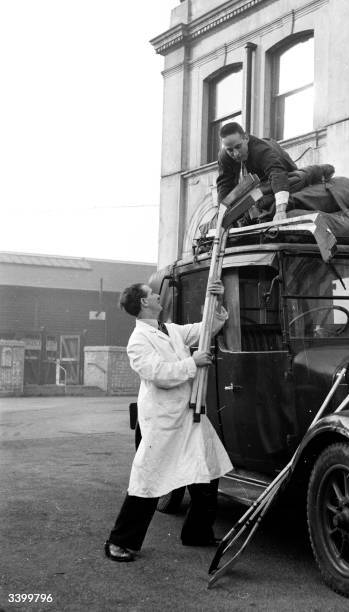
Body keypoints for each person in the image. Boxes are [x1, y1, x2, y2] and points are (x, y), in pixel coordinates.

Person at [104, 279, 232, 562]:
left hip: (189, 413)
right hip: (163, 419)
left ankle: (197, 533)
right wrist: (192, 363)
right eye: (152, 294)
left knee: (208, 471)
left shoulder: (171, 330)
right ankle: (120, 541)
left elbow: (206, 328)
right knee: (149, 481)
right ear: (144, 303)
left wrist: (216, 301)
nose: (158, 294)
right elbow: (159, 374)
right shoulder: (137, 341)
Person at [216, 122, 297, 222]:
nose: (235, 154)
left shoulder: (260, 150)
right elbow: (224, 185)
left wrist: (280, 211)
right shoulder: (224, 156)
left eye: (238, 147)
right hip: (259, 182)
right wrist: (221, 218)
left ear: (246, 138)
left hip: (286, 175)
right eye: (230, 150)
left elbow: (277, 173)